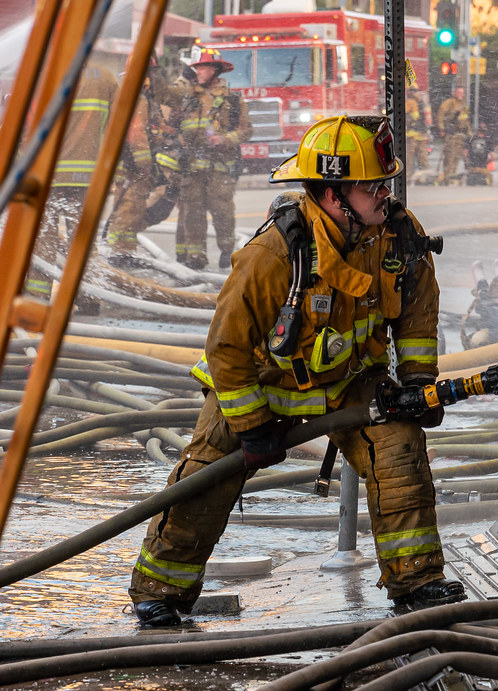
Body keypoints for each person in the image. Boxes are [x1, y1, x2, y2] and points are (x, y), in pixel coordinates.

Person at [128, 115, 465, 628]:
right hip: (260, 387)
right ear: (333, 195)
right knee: (203, 482)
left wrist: (417, 384)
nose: (383, 193)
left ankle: (417, 582)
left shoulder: (399, 236)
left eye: (384, 182)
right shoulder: (275, 252)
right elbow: (226, 349)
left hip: (350, 385)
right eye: (371, 185)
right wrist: (251, 426)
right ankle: (161, 593)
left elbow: (418, 317)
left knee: (399, 449)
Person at [27, 59, 119, 309]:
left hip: (49, 176)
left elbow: (30, 126)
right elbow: (116, 127)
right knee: (82, 239)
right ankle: (88, 297)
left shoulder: (47, 72)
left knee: (43, 238)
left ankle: (37, 299)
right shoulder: (106, 77)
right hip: (90, 176)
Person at [175, 48, 251, 270]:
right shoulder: (188, 97)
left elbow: (246, 131)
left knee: (222, 212)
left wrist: (224, 139)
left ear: (215, 70)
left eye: (202, 67)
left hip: (220, 168)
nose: (197, 72)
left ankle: (227, 251)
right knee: (192, 213)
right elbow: (177, 126)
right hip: (193, 168)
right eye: (196, 68)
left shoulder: (233, 99)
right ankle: (196, 258)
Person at [105, 57, 181, 269]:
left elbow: (149, 130)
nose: (155, 76)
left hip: (130, 165)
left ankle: (124, 252)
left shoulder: (140, 96)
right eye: (152, 72)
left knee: (132, 210)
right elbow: (137, 135)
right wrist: (145, 165)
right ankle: (119, 253)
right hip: (133, 168)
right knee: (128, 211)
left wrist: (166, 138)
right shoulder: (136, 97)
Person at [436, 86, 469, 185]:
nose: (460, 94)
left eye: (462, 93)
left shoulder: (463, 104)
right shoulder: (449, 103)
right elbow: (440, 116)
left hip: (460, 134)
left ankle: (453, 175)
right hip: (451, 134)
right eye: (458, 92)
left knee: (457, 156)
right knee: (449, 156)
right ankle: (447, 176)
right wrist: (441, 129)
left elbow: (466, 119)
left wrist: (469, 132)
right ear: (454, 93)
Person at [405, 87, 430, 177]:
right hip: (421, 134)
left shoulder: (410, 102)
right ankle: (425, 176)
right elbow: (427, 120)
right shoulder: (423, 104)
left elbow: (402, 114)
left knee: (409, 158)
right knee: (422, 157)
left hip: (412, 135)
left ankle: (408, 176)